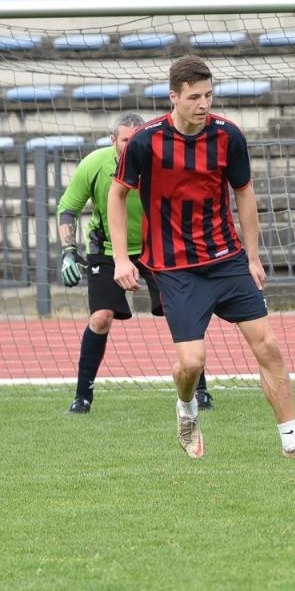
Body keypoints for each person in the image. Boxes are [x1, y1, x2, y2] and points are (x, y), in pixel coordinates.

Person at [108, 56, 295, 462]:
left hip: (227, 259)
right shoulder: (144, 141)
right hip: (174, 267)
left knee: (269, 347)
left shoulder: (228, 136)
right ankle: (186, 409)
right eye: (194, 97)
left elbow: (244, 193)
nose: (203, 104)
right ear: (174, 97)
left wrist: (253, 257)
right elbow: (117, 194)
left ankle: (293, 442)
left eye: (208, 95)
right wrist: (122, 258)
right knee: (191, 363)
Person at [57, 112, 213, 415]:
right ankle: (82, 398)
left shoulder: (161, 161)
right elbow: (68, 208)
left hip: (158, 246)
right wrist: (67, 250)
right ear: (113, 140)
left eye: (136, 140)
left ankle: (201, 390)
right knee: (101, 317)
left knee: (179, 311)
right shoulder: (94, 164)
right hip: (107, 248)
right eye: (125, 141)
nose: (131, 147)